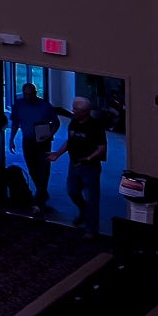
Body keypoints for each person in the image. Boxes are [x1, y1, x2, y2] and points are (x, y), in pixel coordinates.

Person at [53, 96, 112, 234]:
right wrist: (57, 153)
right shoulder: (73, 123)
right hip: (74, 164)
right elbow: (70, 141)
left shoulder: (95, 126)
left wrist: (89, 158)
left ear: (85, 111)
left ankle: (91, 229)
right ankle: (84, 212)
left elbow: (102, 147)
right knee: (72, 191)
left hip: (89, 167)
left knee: (92, 198)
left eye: (76, 109)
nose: (72, 111)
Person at [9, 78, 58, 208]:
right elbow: (15, 123)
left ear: (35, 93)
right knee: (32, 168)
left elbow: (56, 123)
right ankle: (42, 192)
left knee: (44, 168)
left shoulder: (45, 106)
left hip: (43, 142)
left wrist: (49, 135)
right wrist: (11, 139)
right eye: (26, 94)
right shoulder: (19, 105)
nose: (28, 96)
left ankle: (41, 194)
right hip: (28, 141)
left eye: (30, 94)